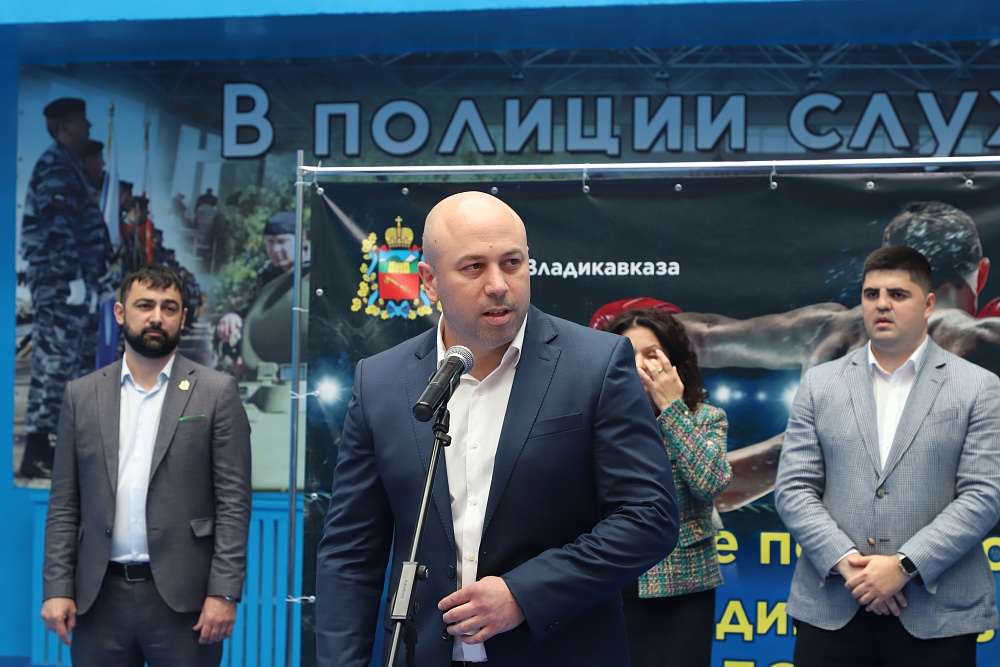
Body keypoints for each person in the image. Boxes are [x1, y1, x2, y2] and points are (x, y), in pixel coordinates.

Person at [315, 191, 678, 666]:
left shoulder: (596, 364)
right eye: (473, 267)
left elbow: (649, 516)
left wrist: (524, 593)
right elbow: (350, 554)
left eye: (512, 263)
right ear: (429, 281)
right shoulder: (381, 381)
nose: (499, 285)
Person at [670, 200, 1000, 510]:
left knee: (794, 452)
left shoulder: (829, 328)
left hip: (832, 520)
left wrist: (637, 325)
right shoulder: (969, 335)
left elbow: (706, 336)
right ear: (981, 272)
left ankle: (660, 491)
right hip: (916, 531)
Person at [774, 245, 1000, 666]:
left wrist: (904, 566)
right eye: (871, 294)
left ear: (928, 304)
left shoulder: (979, 387)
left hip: (936, 613)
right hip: (834, 605)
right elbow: (793, 489)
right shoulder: (819, 384)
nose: (882, 304)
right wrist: (848, 564)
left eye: (897, 294)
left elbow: (984, 496)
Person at [40, 264, 253, 666]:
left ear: (183, 318)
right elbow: (64, 504)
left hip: (185, 603)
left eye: (169, 308)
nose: (157, 317)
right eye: (145, 305)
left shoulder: (216, 393)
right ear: (121, 313)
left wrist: (224, 592)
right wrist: (57, 587)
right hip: (98, 599)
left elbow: (233, 505)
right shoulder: (81, 395)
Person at [603, 308, 732, 667]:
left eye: (652, 354)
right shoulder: (597, 419)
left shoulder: (705, 418)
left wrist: (672, 407)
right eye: (628, 354)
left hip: (682, 588)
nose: (640, 365)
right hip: (607, 582)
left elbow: (710, 483)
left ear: (673, 363)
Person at [18, 97, 113, 479]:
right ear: (64, 126)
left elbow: (81, 227)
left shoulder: (69, 164)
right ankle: (38, 449)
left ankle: (60, 445)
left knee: (73, 363)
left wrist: (95, 280)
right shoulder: (55, 165)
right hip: (60, 282)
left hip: (75, 282)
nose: (88, 126)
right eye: (81, 121)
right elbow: (56, 226)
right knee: (55, 362)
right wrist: (72, 276)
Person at [214, 211, 303, 378]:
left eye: (282, 241)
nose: (275, 249)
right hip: (268, 344)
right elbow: (254, 309)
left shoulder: (313, 271)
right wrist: (232, 315)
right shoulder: (267, 273)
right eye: (270, 242)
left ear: (302, 239)